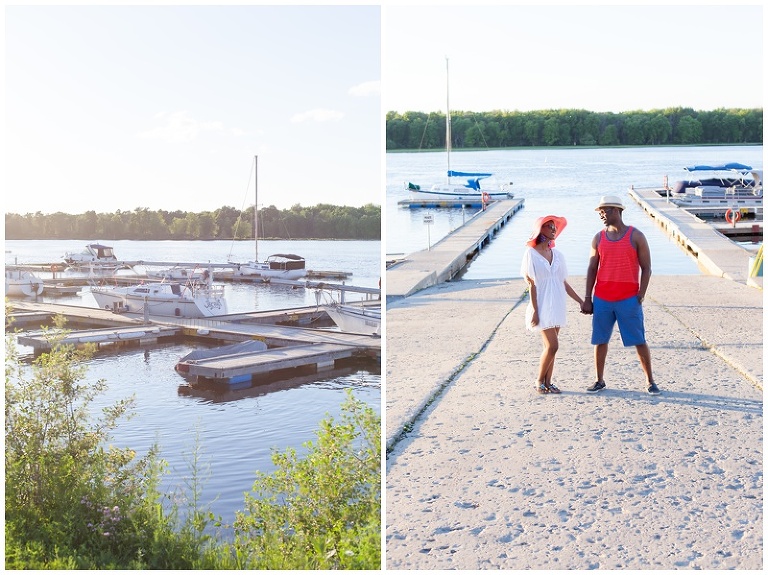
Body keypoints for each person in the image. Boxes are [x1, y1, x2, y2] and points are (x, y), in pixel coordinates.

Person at [581, 195, 661, 395]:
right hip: (602, 299)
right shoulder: (598, 238)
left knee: (639, 340)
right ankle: (599, 380)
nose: (601, 215)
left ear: (616, 211)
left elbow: (647, 268)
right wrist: (588, 298)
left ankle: (650, 381)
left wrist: (641, 295)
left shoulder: (636, 236)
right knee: (600, 340)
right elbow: (592, 268)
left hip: (628, 299)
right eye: (600, 212)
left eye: (605, 211)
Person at [520, 215, 584, 394]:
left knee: (551, 348)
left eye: (554, 227)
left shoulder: (558, 255)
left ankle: (549, 382)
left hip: (557, 303)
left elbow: (563, 283)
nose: (553, 229)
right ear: (540, 230)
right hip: (541, 305)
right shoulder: (530, 254)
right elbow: (531, 284)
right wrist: (535, 311)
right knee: (553, 345)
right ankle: (539, 381)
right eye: (549, 227)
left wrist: (580, 301)